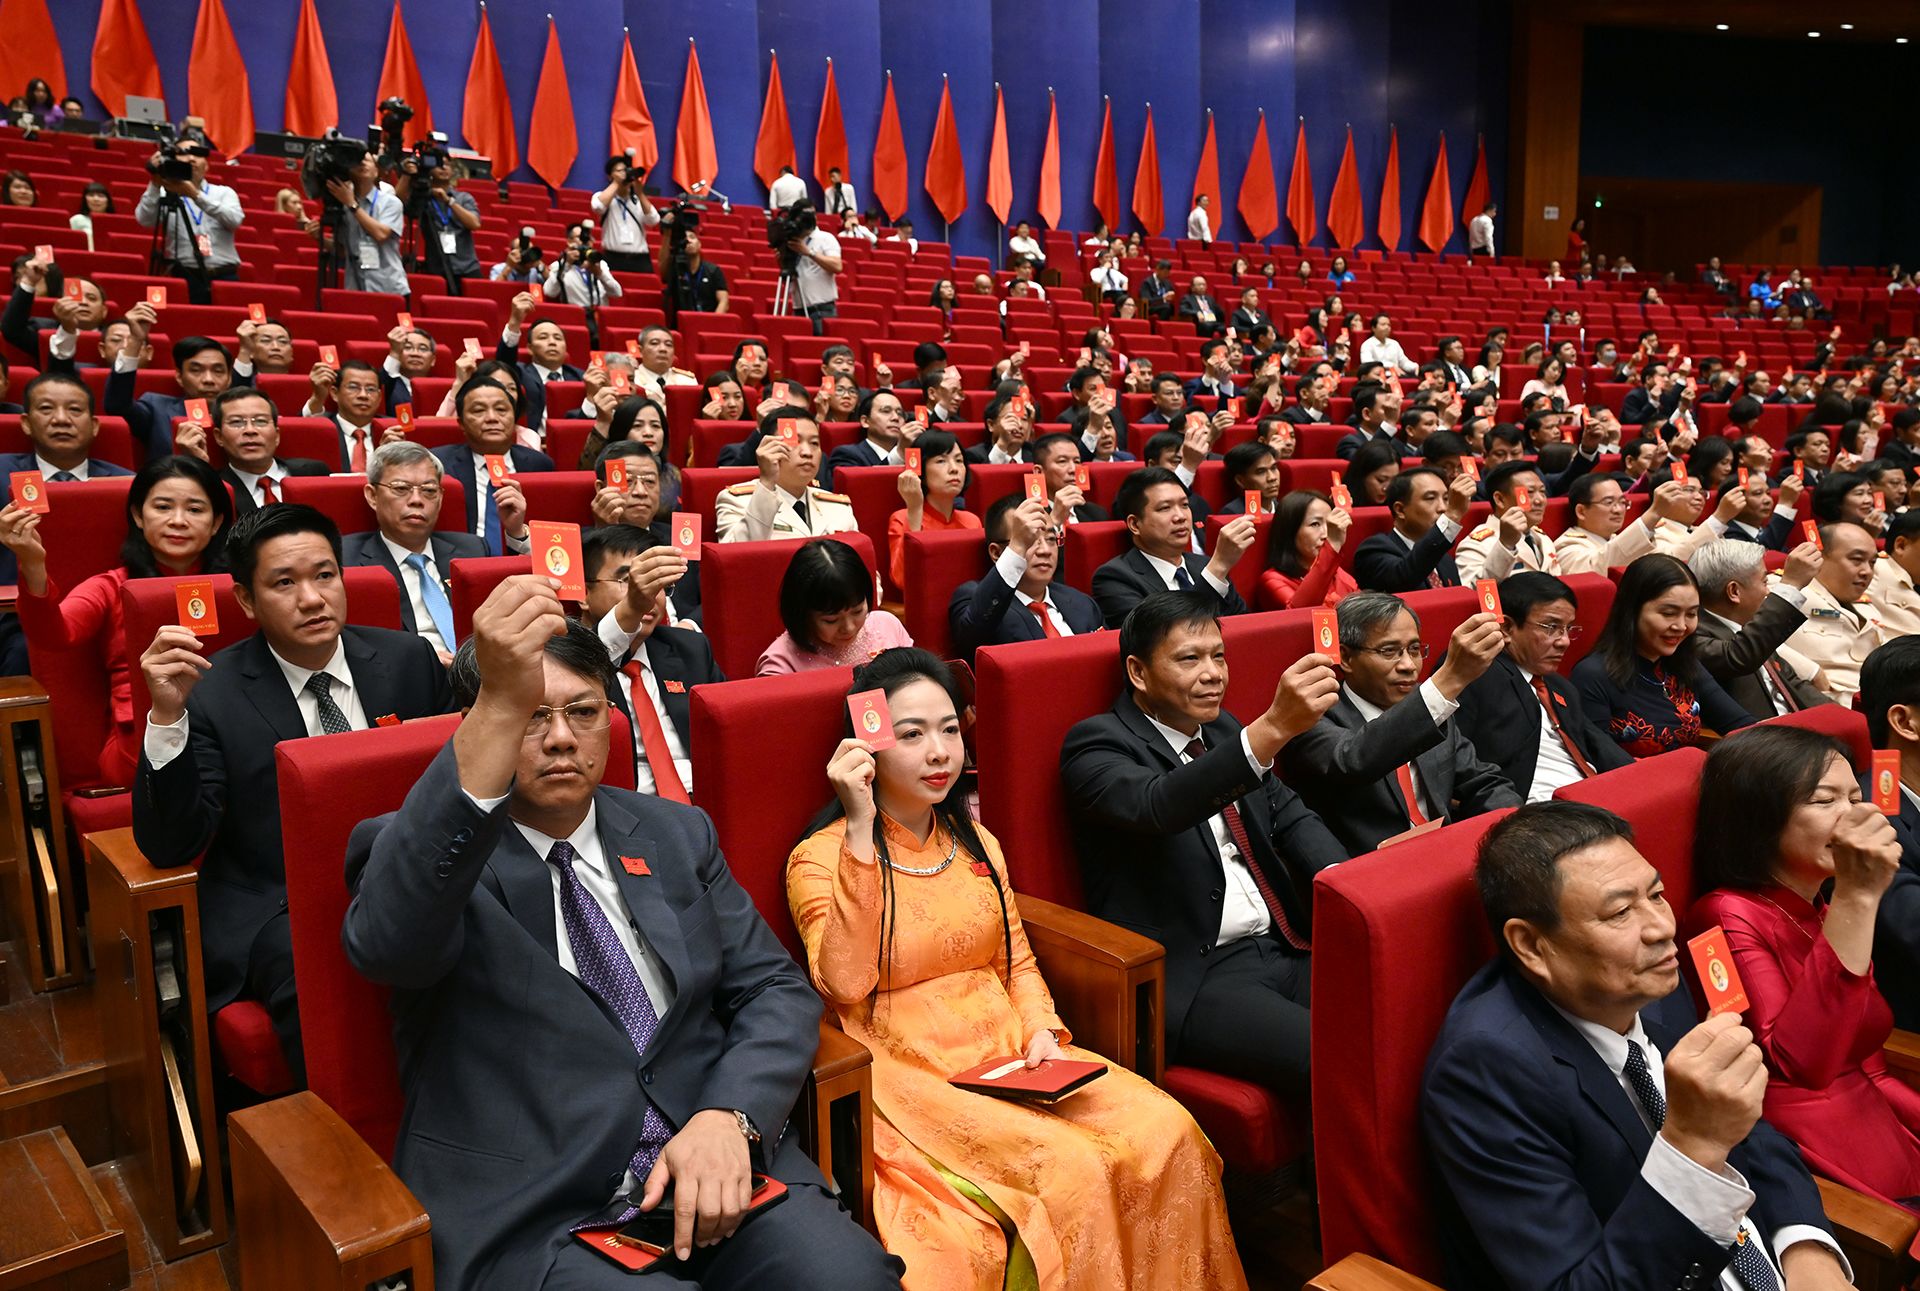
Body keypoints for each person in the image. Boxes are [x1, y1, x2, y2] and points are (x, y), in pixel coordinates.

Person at [342, 583, 901, 1290]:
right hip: (545, 1210)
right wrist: (497, 707)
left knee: (851, 1278)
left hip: (712, 1163)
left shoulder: (672, 831)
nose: (560, 738)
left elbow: (773, 987)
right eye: (530, 715)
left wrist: (729, 1117)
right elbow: (388, 944)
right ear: (480, 724)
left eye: (582, 712)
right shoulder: (423, 853)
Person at [790, 648, 1245, 1288]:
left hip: (1010, 1051)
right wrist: (861, 825)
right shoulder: (819, 858)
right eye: (912, 735)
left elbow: (1017, 959)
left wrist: (1042, 1032)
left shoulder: (976, 841)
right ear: (866, 747)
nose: (939, 752)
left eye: (950, 730)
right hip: (914, 1072)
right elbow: (843, 983)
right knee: (1072, 1172)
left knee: (1168, 1129)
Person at [1423, 801, 1849, 1290]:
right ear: (1531, 945)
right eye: (1621, 912)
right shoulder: (1486, 1070)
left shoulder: (1651, 982)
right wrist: (1693, 1144)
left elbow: (1747, 1129)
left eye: (1657, 894)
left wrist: (1807, 1248)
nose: (1662, 928)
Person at [136, 504, 452, 1082]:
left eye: (325, 575)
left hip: (412, 874)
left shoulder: (409, 659)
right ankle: (342, 1131)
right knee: (317, 973)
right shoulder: (210, 693)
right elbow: (171, 844)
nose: (312, 599)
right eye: (284, 583)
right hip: (283, 900)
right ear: (246, 600)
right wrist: (166, 718)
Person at [1060, 591, 1345, 1095]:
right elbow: (1161, 805)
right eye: (1190, 659)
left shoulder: (1222, 729)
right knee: (1335, 1054)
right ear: (1138, 672)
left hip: (1282, 942)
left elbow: (1288, 813)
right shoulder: (1095, 744)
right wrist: (1273, 727)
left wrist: (1348, 885)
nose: (1213, 674)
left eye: (1219, 656)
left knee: (1395, 1011)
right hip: (1198, 971)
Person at [1687, 725, 1920, 1211]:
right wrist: (1857, 894)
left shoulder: (1818, 903)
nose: (1856, 816)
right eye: (1824, 800)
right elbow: (1801, 1066)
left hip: (1879, 1111)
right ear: (1759, 819)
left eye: (1855, 797)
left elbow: (1867, 1045)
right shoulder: (1719, 916)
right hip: (1811, 1150)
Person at [3, 455, 230, 785]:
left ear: (216, 522)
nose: (178, 520)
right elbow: (53, 634)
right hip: (138, 739)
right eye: (163, 507)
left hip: (228, 730)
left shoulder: (240, 589)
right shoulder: (111, 587)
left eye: (195, 510)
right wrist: (33, 564)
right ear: (138, 516)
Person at [1278, 592, 1520, 856]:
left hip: (1445, 853)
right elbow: (1354, 760)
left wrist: (1523, 829)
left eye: (1414, 650)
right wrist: (1449, 679)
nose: (1408, 666)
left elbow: (1483, 783)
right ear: (1346, 658)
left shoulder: (1429, 705)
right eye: (1389, 651)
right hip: (1370, 869)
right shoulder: (1311, 716)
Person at [1453, 572, 1631, 803]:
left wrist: (1641, 778)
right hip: (1532, 807)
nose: (1564, 641)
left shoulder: (1560, 686)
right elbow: (1453, 760)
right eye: (1551, 627)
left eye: (1568, 628)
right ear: (1506, 627)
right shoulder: (1473, 671)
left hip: (1592, 796)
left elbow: (1600, 746)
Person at [579, 525, 719, 801]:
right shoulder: (567, 661)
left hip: (705, 795)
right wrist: (629, 610)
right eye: (628, 580)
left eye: (658, 583)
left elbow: (726, 735)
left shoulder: (690, 649)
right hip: (625, 806)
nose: (647, 594)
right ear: (584, 593)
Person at [1572, 554, 1754, 756]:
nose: (1681, 626)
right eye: (1668, 613)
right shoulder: (1592, 675)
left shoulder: (1683, 664)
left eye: (1691, 614)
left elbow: (1742, 726)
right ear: (1631, 611)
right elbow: (1599, 759)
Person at [341, 442, 486, 662]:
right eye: (401, 488)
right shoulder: (347, 560)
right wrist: (424, 660)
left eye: (429, 490)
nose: (417, 500)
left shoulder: (473, 550)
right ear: (372, 496)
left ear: (440, 498)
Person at [1091, 467, 1253, 627]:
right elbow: (1161, 637)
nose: (1180, 516)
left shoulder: (1204, 564)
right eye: (1165, 508)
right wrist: (1217, 568)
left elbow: (1243, 627)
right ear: (1135, 524)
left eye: (1184, 505)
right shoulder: (1115, 577)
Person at [1688, 539, 1832, 717]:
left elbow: (1794, 685)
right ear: (1734, 592)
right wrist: (1790, 585)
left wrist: (1844, 716)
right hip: (1761, 732)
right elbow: (1739, 655)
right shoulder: (1691, 635)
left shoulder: (1751, 630)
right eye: (1765, 582)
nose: (1768, 592)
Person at [948, 494, 1102, 653]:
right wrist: (1018, 546)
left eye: (1050, 539)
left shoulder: (1081, 602)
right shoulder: (978, 600)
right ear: (996, 552)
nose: (1045, 551)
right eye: (1030, 539)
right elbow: (971, 634)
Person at [432, 375, 554, 557]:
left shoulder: (539, 464)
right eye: (479, 410)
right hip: (461, 561)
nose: (492, 418)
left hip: (523, 561)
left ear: (514, 418)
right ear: (461, 423)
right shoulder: (438, 463)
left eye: (501, 410)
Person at [1775, 520, 1889, 710]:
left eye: (1872, 562)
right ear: (1819, 557)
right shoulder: (1787, 589)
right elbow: (1748, 635)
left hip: (1879, 701)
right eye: (1857, 559)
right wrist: (1810, 671)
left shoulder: (1867, 606)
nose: (1867, 571)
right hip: (1825, 704)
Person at [104, 310, 245, 462]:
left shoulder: (246, 415)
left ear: (229, 378)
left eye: (218, 371)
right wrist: (135, 341)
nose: (208, 379)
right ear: (179, 377)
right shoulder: (157, 408)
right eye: (196, 370)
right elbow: (117, 405)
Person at [756, 539, 911, 676]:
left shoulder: (887, 625)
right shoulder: (780, 664)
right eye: (831, 620)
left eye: (857, 611)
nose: (849, 628)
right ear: (803, 614)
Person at [176, 387, 328, 514]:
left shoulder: (314, 472)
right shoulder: (215, 487)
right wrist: (198, 467)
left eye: (260, 421)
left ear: (277, 435)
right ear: (219, 436)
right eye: (236, 422)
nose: (250, 430)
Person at [715, 413, 857, 543]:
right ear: (767, 448)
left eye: (814, 443)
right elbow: (740, 556)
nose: (807, 452)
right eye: (794, 442)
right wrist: (767, 482)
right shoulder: (736, 501)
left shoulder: (838, 506)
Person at [135, 138, 242, 304]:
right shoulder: (164, 193)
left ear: (206, 166)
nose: (191, 158)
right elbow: (144, 220)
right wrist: (155, 184)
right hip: (184, 275)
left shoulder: (224, 193)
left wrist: (196, 195)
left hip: (224, 275)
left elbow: (234, 220)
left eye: (197, 154)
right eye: (184, 153)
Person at [886, 430, 982, 590]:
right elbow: (901, 580)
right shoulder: (902, 518)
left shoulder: (972, 521)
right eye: (941, 461)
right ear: (920, 468)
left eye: (959, 460)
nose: (954, 469)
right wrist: (914, 510)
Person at [1353, 466, 1473, 592]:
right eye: (1430, 498)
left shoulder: (1444, 558)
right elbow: (1404, 579)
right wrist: (1452, 515)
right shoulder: (1374, 550)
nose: (1443, 508)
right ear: (1400, 510)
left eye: (1446, 498)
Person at [1456, 461, 1561, 583]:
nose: (1540, 500)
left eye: (1542, 491)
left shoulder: (1542, 538)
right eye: (1529, 492)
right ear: (1500, 499)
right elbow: (1474, 591)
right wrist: (1506, 545)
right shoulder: (1477, 545)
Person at [1255, 489, 1357, 611]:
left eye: (1329, 525)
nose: (1326, 534)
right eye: (1315, 524)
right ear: (1290, 531)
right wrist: (1332, 545)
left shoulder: (1337, 573)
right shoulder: (1272, 580)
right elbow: (1299, 614)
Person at [325, 151, 407, 295]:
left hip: (389, 287)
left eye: (367, 160)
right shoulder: (343, 207)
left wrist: (352, 205)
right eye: (358, 160)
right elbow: (343, 250)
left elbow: (381, 234)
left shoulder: (391, 202)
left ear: (376, 172)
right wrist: (321, 239)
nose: (362, 163)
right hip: (355, 286)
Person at [394, 154, 482, 283]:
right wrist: (407, 174)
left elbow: (475, 224)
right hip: (436, 268)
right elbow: (396, 203)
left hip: (467, 267)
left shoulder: (464, 198)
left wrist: (449, 201)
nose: (443, 168)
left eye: (447, 165)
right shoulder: (423, 198)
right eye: (439, 164)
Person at [302, 357, 386, 472]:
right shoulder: (324, 429)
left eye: (371, 389)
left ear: (380, 397)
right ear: (334, 393)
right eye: (353, 387)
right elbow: (304, 430)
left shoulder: (389, 430)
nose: (363, 395)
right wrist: (317, 398)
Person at [592, 153, 661, 273]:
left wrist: (640, 193)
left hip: (639, 260)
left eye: (626, 171)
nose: (624, 174)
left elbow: (653, 220)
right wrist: (616, 182)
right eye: (619, 171)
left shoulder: (638, 201)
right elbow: (598, 207)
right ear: (610, 176)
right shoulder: (602, 197)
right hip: (612, 258)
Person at [782, 200, 843, 334]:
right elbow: (787, 271)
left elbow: (837, 266)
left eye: (813, 214)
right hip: (798, 309)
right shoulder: (791, 240)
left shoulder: (826, 238)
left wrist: (809, 252)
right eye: (805, 215)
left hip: (822, 310)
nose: (811, 218)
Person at [824, 389, 907, 482]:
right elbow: (860, 486)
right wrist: (898, 454)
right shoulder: (846, 455)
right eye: (886, 411)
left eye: (900, 413)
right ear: (865, 421)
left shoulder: (911, 455)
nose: (896, 418)